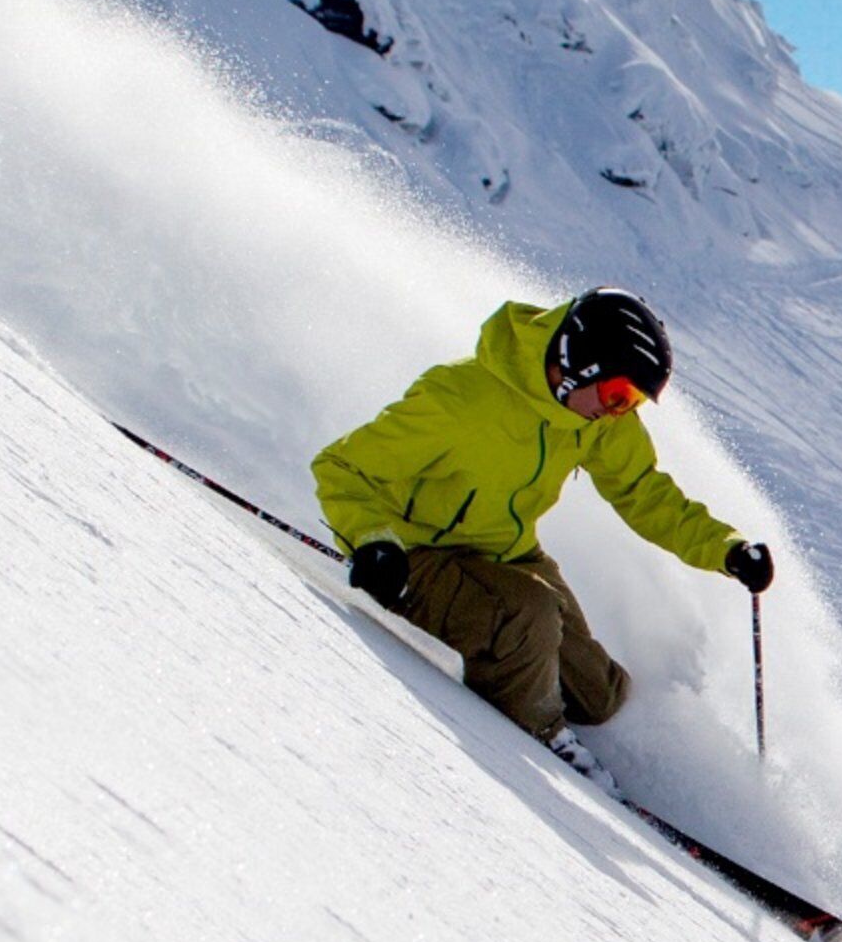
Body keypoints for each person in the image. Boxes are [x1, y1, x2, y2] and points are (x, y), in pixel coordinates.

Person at [313, 288, 774, 771]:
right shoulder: (462, 399)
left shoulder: (596, 421)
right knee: (526, 615)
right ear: (581, 363)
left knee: (599, 694)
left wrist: (727, 550)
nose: (621, 410)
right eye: (620, 394)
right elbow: (341, 467)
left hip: (506, 553)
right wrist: (373, 544)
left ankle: (564, 718)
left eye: (634, 400)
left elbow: (643, 491)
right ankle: (544, 746)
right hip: (417, 554)